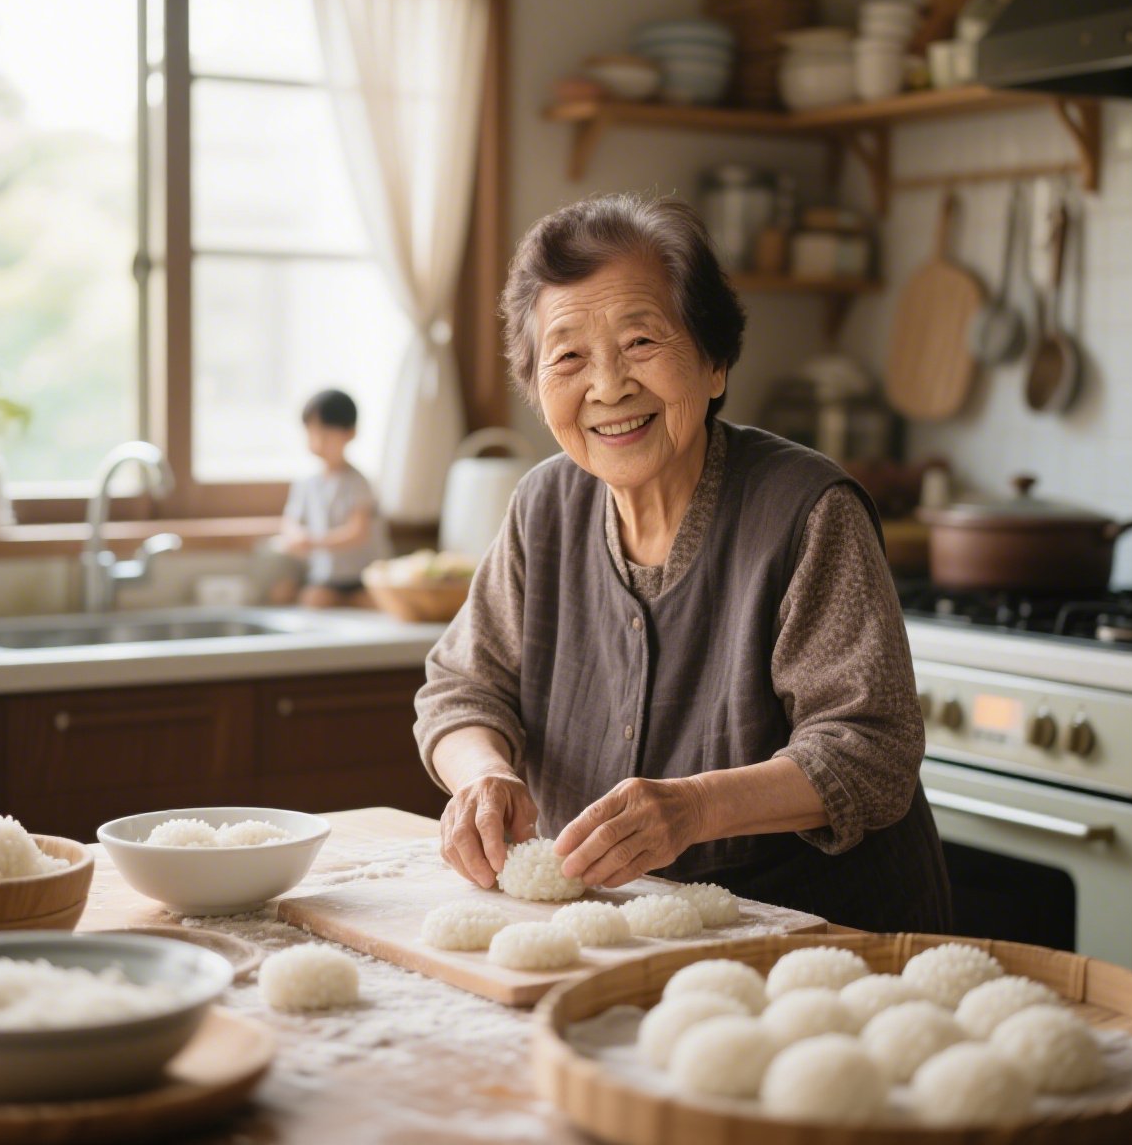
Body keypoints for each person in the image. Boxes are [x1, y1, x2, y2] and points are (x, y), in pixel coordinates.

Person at [412, 194, 951, 932]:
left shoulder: (807, 510)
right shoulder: (544, 506)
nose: (609, 387)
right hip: (623, 933)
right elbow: (462, 689)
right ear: (536, 389)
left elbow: (871, 750)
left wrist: (695, 807)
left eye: (641, 342)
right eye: (568, 356)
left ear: (714, 361)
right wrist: (484, 776)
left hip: (820, 938)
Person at [272, 389, 390, 609]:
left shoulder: (357, 483)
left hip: (362, 574)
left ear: (349, 433)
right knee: (306, 597)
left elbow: (358, 532)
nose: (316, 441)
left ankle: (346, 599)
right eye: (311, 433)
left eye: (325, 434)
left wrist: (313, 542)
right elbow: (290, 522)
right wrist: (296, 537)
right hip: (327, 575)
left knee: (374, 600)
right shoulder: (307, 484)